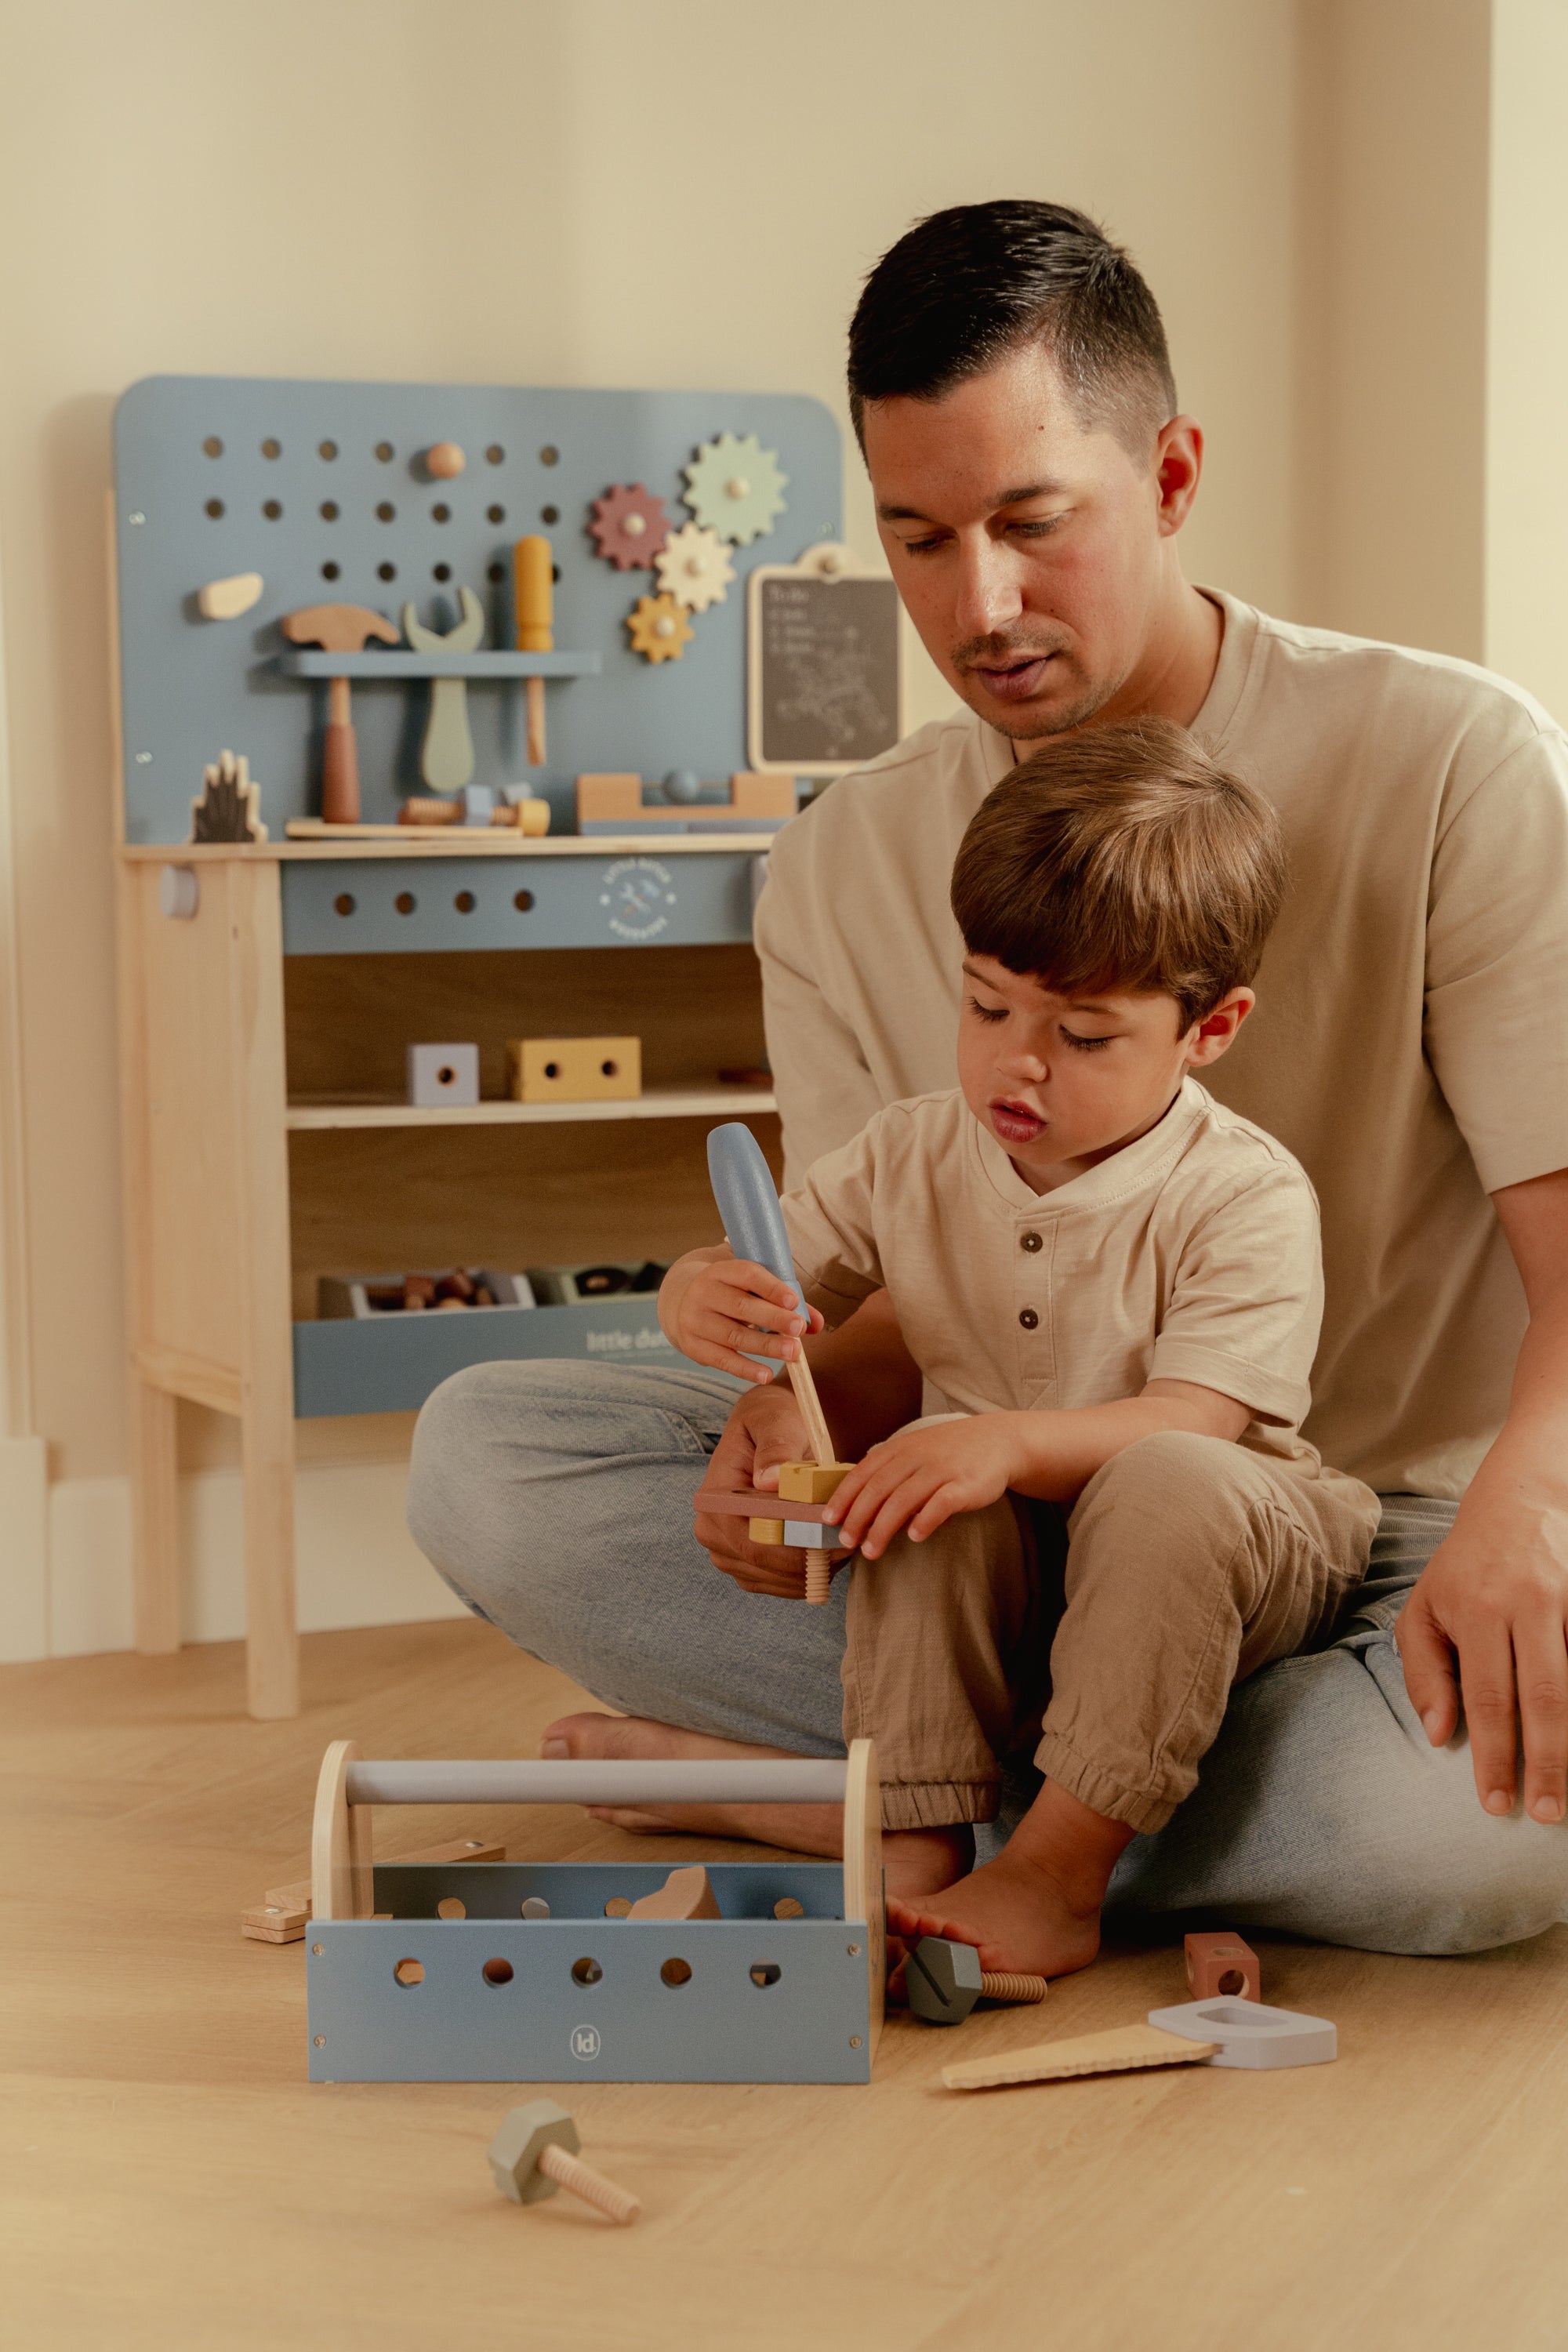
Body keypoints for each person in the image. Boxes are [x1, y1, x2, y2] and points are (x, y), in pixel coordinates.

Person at [408, 201, 1568, 1956]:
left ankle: (860, 1802)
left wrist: (1526, 1517)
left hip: (1369, 1538)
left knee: (1494, 1834)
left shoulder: (1448, 758)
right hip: (989, 1536)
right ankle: (1047, 1806)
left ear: (1170, 473)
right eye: (920, 538)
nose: (982, 604)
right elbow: (881, 1318)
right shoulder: (838, 864)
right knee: (483, 1454)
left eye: (1034, 524)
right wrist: (775, 1436)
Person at [659, 724, 1380, 1974]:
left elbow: (1200, 1425)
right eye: (987, 1005)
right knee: (917, 1481)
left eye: (1087, 1038)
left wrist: (999, 1441)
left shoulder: (1242, 1194)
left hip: (1222, 1544)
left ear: (1209, 1032)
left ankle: (1057, 1871)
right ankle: (914, 1844)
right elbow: (772, 1275)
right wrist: (703, 1302)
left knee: (1148, 1479)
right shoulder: (909, 1151)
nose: (1019, 1062)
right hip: (1013, 1572)